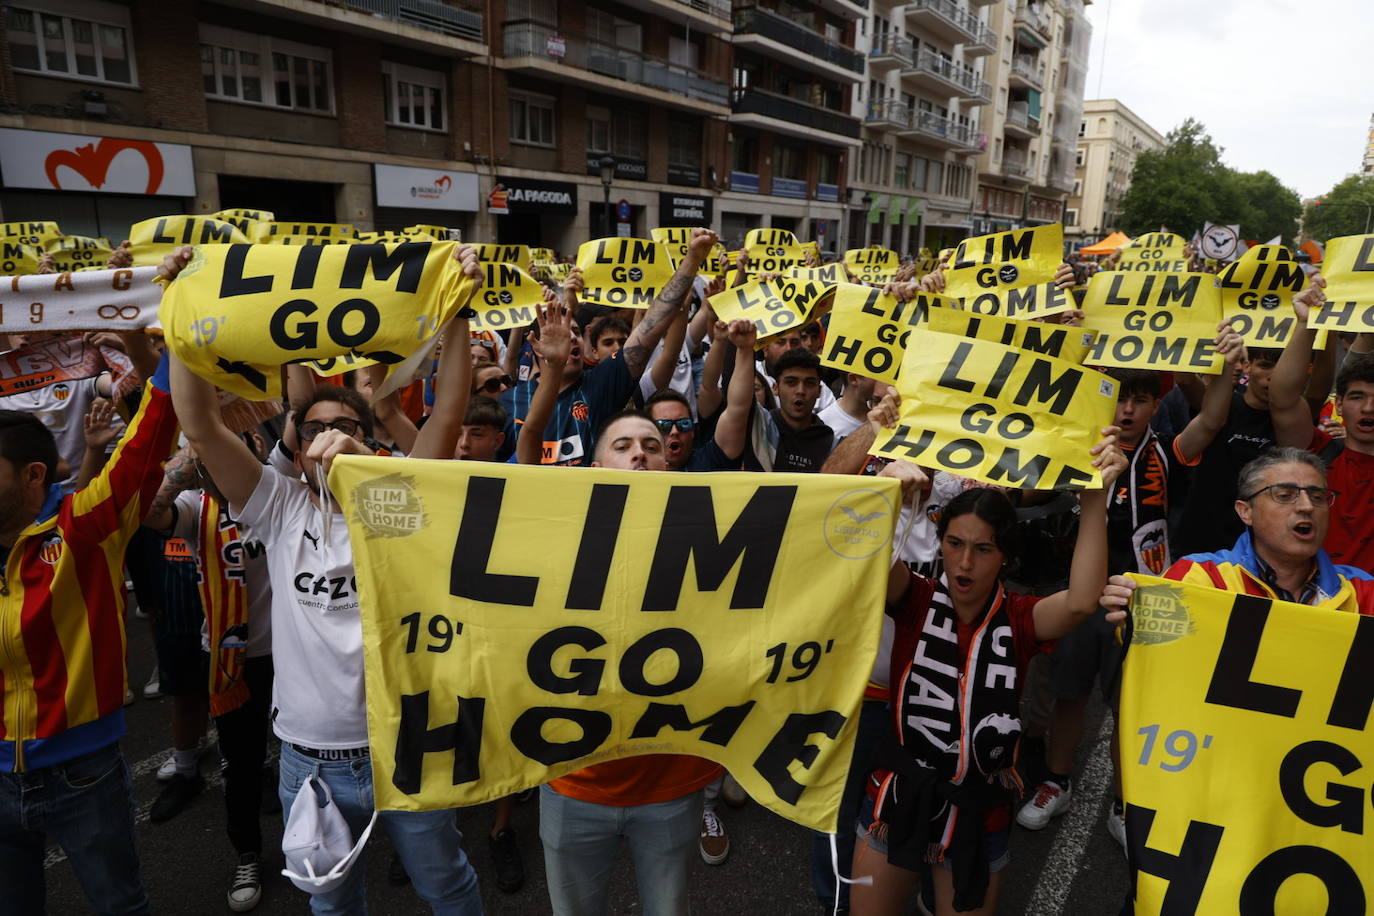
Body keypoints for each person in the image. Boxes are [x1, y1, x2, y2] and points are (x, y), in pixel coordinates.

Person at [165, 243, 486, 915]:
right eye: (315, 428)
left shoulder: (401, 503)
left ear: (372, 443)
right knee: (331, 903)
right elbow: (198, 423)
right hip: (311, 761)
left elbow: (450, 415)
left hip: (407, 747)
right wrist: (179, 316)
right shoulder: (278, 509)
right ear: (296, 445)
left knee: (448, 888)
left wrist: (456, 306)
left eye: (347, 427)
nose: (330, 437)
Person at [850, 431, 1127, 916]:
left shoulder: (1019, 616)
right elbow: (862, 559)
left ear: (1005, 558)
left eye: (983, 549)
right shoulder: (914, 598)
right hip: (898, 795)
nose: (964, 562)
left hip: (979, 808)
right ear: (939, 543)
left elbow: (1083, 600)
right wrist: (883, 490)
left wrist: (1094, 494)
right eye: (954, 543)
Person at [1018, 321, 1246, 842]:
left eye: (1140, 401)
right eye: (1119, 399)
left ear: (1154, 404)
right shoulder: (1079, 446)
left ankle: (1125, 801)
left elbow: (1211, 419)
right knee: (1070, 693)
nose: (1127, 411)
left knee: (1132, 702)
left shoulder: (1165, 450)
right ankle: (1055, 782)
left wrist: (1228, 368)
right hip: (1082, 590)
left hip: (1146, 591)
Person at [0, 346, 178, 916]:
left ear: (31, 476)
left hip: (85, 774)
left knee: (118, 906)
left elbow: (150, 437)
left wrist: (177, 333)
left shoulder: (86, 524)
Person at [535, 410, 723, 915]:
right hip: (572, 780)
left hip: (671, 783)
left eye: (652, 445)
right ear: (594, 468)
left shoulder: (710, 542)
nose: (640, 452)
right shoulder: (554, 543)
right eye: (622, 446)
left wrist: (886, 498)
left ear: (669, 467)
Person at [143, 448, 276, 911]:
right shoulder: (198, 509)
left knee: (311, 755)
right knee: (239, 766)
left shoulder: (280, 493)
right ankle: (248, 852)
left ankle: (321, 847)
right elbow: (149, 510)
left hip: (298, 654)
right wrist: (191, 453)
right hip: (232, 659)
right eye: (216, 458)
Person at [505, 229, 717, 466]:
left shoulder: (603, 382)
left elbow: (651, 327)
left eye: (575, 332)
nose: (571, 339)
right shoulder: (508, 402)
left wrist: (692, 260)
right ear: (533, 345)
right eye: (560, 335)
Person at [1105, 447, 1374, 613]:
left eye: (1317, 497)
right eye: (1284, 495)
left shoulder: (1364, 592)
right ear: (1245, 511)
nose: (1306, 506)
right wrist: (1131, 612)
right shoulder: (1201, 578)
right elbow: (1157, 654)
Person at [753, 348, 834, 473]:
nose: (800, 390)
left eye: (809, 383)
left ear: (819, 391)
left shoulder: (831, 443)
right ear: (776, 388)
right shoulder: (760, 428)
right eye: (791, 382)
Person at [817, 372, 877, 441]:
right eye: (878, 377)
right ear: (853, 379)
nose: (882, 383)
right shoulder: (823, 426)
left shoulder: (883, 416)